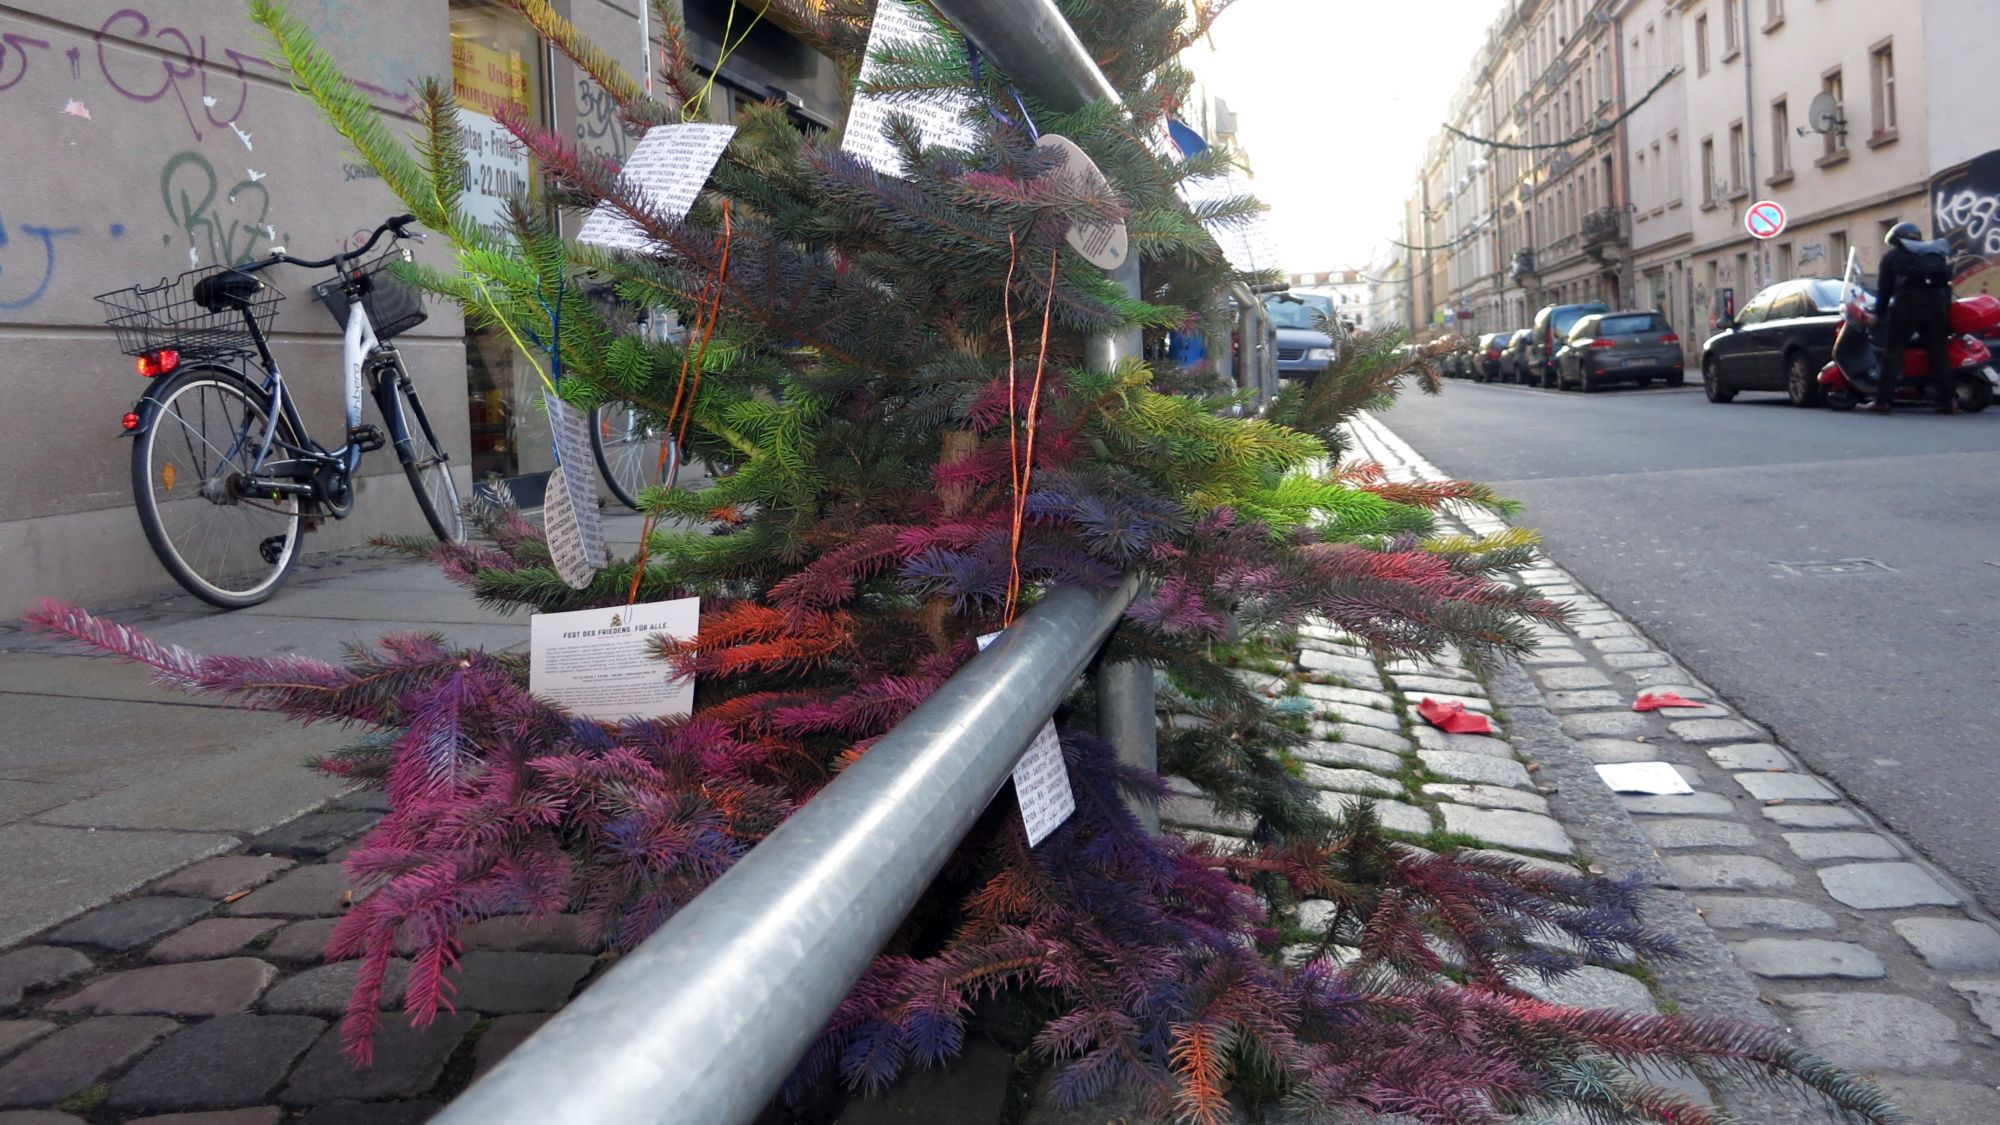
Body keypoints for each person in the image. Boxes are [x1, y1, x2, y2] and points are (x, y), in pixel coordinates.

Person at [1873, 221, 1956, 414]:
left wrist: (1879, 314)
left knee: (1894, 352)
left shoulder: (1892, 256)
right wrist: (1946, 310)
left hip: (1907, 305)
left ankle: (1882, 401)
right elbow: (1946, 286)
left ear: (1895, 239)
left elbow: (1884, 290)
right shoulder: (1934, 255)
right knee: (1938, 353)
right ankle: (1950, 401)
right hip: (1937, 305)